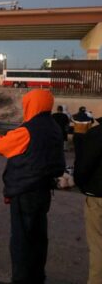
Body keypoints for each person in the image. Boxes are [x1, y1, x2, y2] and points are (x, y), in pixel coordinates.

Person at [0, 89, 65, 284]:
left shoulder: (27, 130)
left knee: (21, 239)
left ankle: (21, 280)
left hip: (25, 191)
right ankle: (37, 277)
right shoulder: (54, 128)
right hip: (44, 190)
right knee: (38, 237)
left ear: (31, 105)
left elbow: (1, 147)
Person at [74, 117, 102, 284]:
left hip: (98, 197)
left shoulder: (96, 134)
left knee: (98, 245)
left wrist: (83, 185)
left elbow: (84, 166)